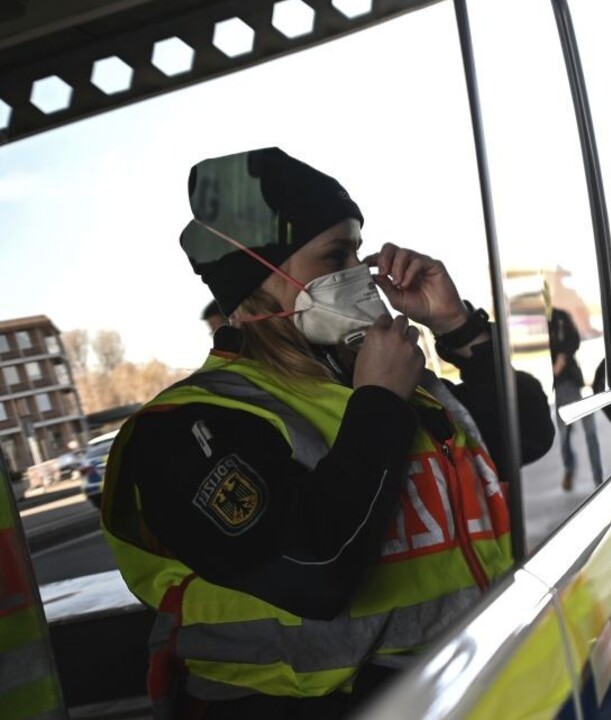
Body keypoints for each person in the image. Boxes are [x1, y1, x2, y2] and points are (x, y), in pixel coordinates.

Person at [101, 147, 554, 719]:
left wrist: (455, 326)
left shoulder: (384, 379)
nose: (361, 274)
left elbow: (530, 435)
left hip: (462, 688)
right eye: (335, 255)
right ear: (260, 278)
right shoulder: (188, 428)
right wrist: (380, 406)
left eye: (359, 253)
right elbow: (315, 573)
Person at [549, 306, 602, 490]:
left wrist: (561, 359)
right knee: (564, 434)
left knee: (589, 433)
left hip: (572, 380)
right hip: (558, 386)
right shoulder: (534, 323)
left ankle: (598, 476)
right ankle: (570, 468)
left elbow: (574, 340)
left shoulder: (560, 316)